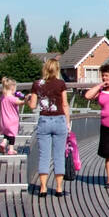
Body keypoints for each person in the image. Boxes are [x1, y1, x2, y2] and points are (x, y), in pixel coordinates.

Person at [27, 57, 70, 198]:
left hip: (44, 120)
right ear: (57, 69)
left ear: (45, 68)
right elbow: (64, 104)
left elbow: (33, 106)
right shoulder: (61, 84)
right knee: (59, 155)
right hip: (59, 120)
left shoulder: (37, 84)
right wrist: (67, 123)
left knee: (44, 155)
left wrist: (28, 99)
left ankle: (43, 188)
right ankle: (58, 188)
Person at [0, 77, 25, 155]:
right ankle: (11, 149)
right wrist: (26, 99)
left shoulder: (3, 97)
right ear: (13, 88)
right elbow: (19, 102)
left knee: (7, 133)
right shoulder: (12, 98)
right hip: (12, 120)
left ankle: (3, 142)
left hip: (4, 120)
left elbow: (0, 99)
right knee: (12, 134)